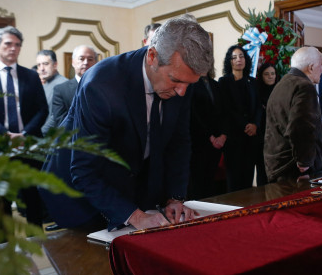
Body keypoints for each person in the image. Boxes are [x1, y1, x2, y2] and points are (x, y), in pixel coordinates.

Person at [40, 16, 214, 231]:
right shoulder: (101, 85)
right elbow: (84, 170)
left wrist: (174, 198)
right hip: (80, 198)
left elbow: (179, 143)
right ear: (152, 56)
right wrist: (135, 216)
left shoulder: (180, 79)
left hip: (134, 189)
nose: (182, 92)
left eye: (189, 84)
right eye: (176, 81)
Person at [0, 25, 49, 225]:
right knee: (2, 200)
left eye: (17, 45)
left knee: (32, 198)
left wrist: (24, 133)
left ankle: (36, 244)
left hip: (28, 144)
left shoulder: (30, 76)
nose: (13, 48)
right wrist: (4, 133)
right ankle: (5, 247)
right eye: (8, 44)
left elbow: (42, 109)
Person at [264, 46, 322, 182]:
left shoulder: (281, 84)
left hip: (278, 166)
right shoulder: (305, 86)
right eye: (321, 66)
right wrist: (305, 162)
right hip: (294, 170)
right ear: (311, 67)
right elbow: (299, 127)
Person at [218, 45, 262, 191]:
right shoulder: (224, 82)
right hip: (233, 137)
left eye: (241, 56)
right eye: (234, 57)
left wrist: (255, 124)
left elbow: (258, 107)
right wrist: (245, 125)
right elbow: (226, 109)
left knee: (248, 179)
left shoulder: (253, 82)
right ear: (229, 61)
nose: (239, 60)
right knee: (234, 180)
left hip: (251, 137)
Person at [187, 68, 226, 200]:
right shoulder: (190, 84)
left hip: (217, 142)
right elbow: (193, 114)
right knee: (198, 182)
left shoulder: (215, 84)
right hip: (200, 141)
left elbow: (223, 112)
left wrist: (222, 135)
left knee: (211, 181)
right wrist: (210, 136)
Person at [50, 45, 98, 129]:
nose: (86, 62)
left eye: (90, 59)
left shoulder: (103, 87)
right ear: (73, 62)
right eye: (81, 59)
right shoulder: (61, 90)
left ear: (96, 63)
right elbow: (61, 122)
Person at [254, 62, 278, 186]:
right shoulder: (257, 92)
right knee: (262, 171)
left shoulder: (280, 92)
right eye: (266, 74)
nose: (270, 76)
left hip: (278, 139)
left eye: (273, 74)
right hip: (261, 138)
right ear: (261, 76)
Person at [37, 49, 68, 135]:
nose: (41, 68)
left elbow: (55, 116)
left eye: (45, 64)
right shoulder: (43, 85)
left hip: (54, 138)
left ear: (55, 65)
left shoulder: (63, 83)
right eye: (39, 65)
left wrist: (40, 133)